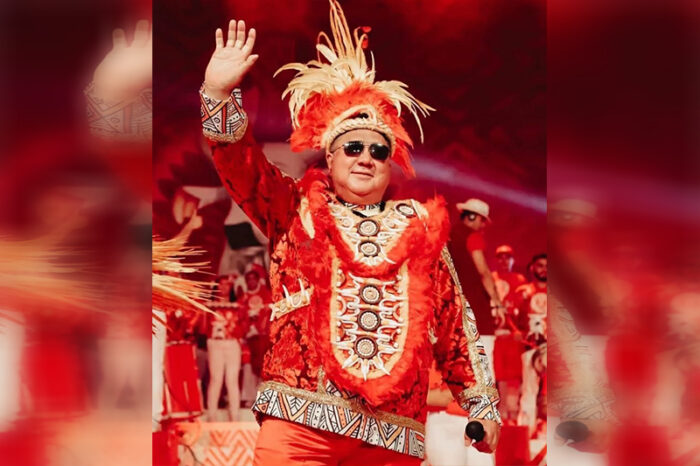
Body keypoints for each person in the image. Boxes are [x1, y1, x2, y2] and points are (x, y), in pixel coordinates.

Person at [199, 1, 501, 463]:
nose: (365, 158)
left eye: (378, 151)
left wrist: (481, 405)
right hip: (300, 422)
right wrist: (218, 94)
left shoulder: (419, 228)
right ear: (331, 157)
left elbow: (453, 322)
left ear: (389, 164)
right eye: (353, 147)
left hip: (390, 432)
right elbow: (242, 167)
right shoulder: (294, 208)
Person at [457, 198, 506, 327]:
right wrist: (497, 303)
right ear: (472, 217)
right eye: (482, 220)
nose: (483, 225)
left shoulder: (447, 235)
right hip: (473, 305)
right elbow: (483, 272)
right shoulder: (473, 237)